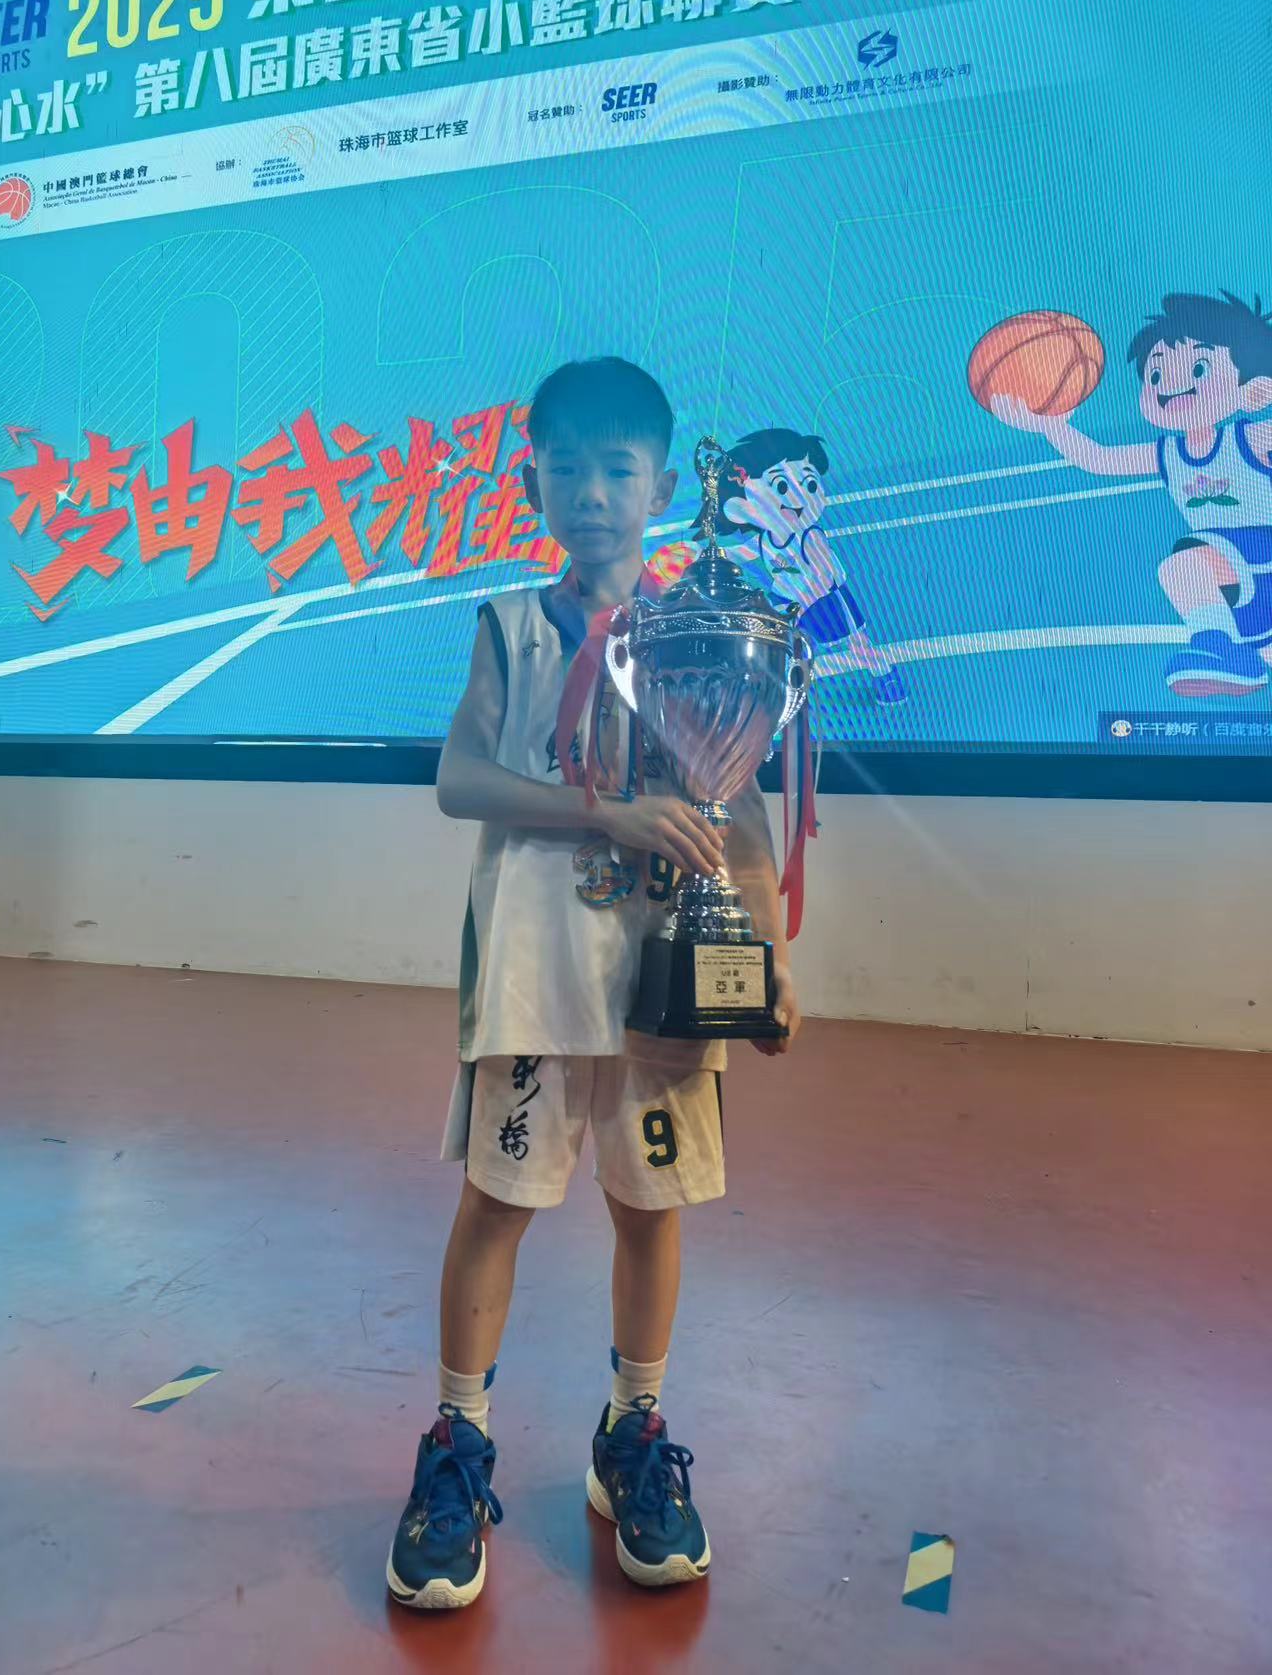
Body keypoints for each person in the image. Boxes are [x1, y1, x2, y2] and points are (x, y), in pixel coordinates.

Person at [385, 357, 801, 1610]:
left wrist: (769, 963)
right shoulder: (511, 628)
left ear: (660, 488)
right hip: (532, 977)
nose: (590, 492)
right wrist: (603, 812)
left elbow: (739, 814)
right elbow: (458, 778)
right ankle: (456, 1445)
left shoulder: (700, 638)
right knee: (495, 1205)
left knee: (648, 1210)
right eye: (563, 468)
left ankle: (632, 1435)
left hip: (660, 986)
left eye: (616, 469)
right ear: (533, 485)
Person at [992, 291, 1272, 698]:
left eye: (1199, 368)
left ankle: (1216, 646)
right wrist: (1049, 424)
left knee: (1182, 565)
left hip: (1257, 553)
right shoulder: (1168, 454)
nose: (1169, 386)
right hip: (1235, 583)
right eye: (1155, 376)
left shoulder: (1249, 438)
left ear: (1255, 392)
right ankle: (1233, 655)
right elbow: (1100, 460)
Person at [701, 426, 907, 707]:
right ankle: (788, 693)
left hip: (827, 601)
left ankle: (887, 677)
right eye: (781, 488)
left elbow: (823, 577)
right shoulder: (765, 540)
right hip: (792, 602)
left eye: (809, 485)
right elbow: (740, 552)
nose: (797, 499)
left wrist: (802, 604)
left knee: (859, 648)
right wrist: (705, 552)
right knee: (791, 649)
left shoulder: (810, 538)